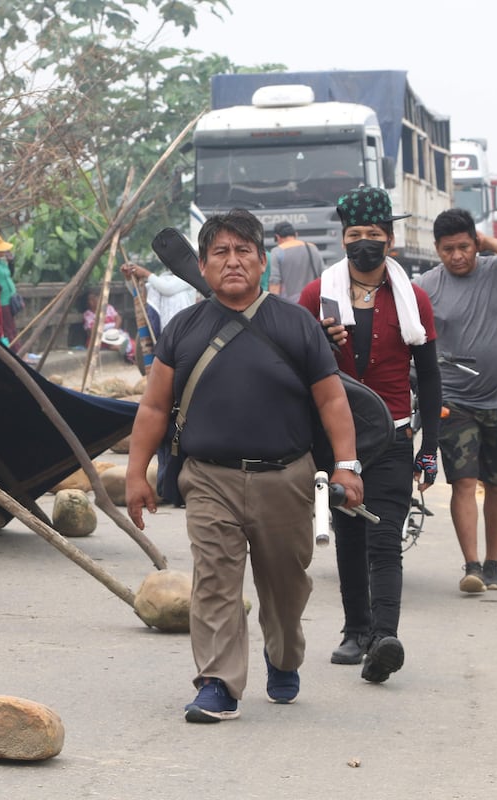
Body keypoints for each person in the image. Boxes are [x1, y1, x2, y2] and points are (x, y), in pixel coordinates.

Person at [126, 208, 363, 723]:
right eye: (219, 253)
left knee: (284, 584)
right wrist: (135, 473)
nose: (232, 262)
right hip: (209, 477)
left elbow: (332, 401)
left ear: (262, 262)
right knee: (214, 581)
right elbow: (153, 407)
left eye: (243, 252)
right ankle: (218, 683)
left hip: (287, 476)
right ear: (205, 267)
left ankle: (283, 657)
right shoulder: (182, 329)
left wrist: (347, 465)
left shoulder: (296, 324)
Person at [298, 186, 442, 683]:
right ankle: (355, 630)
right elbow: (292, 364)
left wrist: (430, 448)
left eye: (373, 236)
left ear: (391, 240)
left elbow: (429, 372)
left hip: (394, 438)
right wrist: (318, 340)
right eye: (355, 235)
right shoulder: (317, 296)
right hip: (335, 441)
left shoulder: (412, 297)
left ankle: (384, 637)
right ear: (342, 239)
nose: (364, 243)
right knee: (350, 534)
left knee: (384, 536)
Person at [415, 208, 497, 593]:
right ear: (436, 249)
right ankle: (471, 564)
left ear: (476, 242)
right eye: (448, 249)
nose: (457, 256)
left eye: (465, 246)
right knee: (464, 482)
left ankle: (493, 563)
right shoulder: (425, 286)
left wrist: (489, 243)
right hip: (455, 401)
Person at [119, 262, 197, 336]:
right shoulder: (162, 278)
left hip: (185, 331)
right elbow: (141, 294)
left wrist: (145, 273)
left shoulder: (189, 277)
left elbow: (167, 288)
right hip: (165, 334)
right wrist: (129, 278)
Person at [268, 221, 324, 303]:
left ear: (277, 237)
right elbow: (323, 275)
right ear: (296, 234)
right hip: (313, 300)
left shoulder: (277, 251)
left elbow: (275, 281)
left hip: (290, 304)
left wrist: (273, 304)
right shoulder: (312, 248)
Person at [82, 291, 134, 363]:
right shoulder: (87, 314)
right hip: (101, 333)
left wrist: (114, 330)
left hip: (114, 330)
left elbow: (118, 318)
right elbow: (92, 330)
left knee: (127, 339)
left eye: (94, 299)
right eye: (90, 300)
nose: (92, 302)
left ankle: (128, 352)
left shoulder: (108, 307)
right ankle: (119, 348)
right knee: (108, 341)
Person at [0, 236, 19, 346]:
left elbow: (9, 275)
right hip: (2, 301)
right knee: (8, 328)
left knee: (12, 327)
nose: (3, 252)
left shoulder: (1, 262)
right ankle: (16, 351)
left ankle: (19, 351)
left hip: (10, 299)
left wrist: (11, 263)